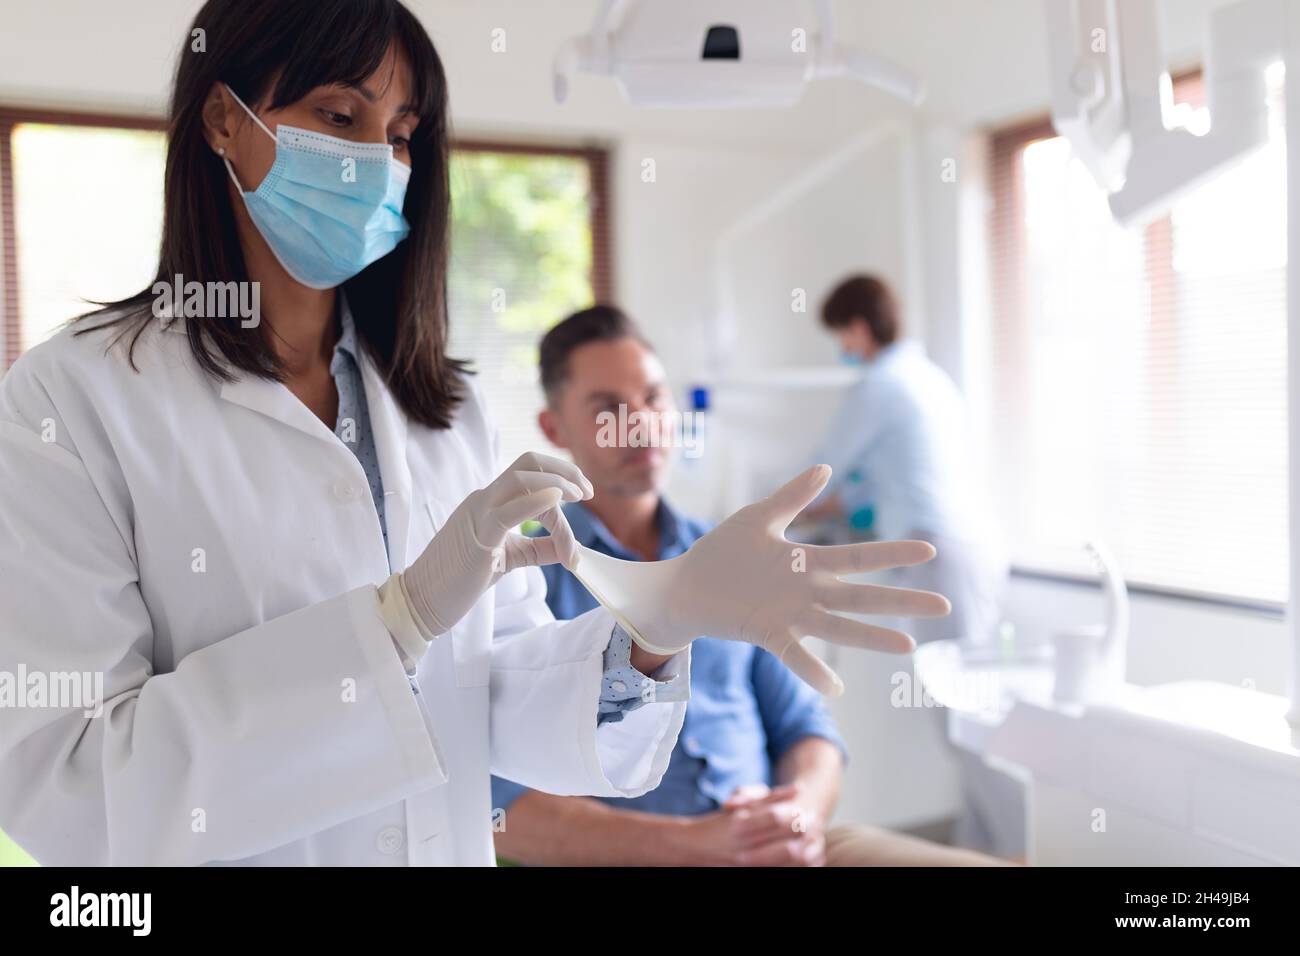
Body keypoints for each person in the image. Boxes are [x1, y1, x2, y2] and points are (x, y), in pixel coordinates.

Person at [0, 1, 945, 866]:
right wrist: (395, 625)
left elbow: (495, 701)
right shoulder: (75, 401)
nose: (379, 161)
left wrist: (651, 634)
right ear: (221, 121)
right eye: (340, 117)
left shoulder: (438, 406)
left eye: (403, 135)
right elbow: (68, 789)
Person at [489, 306, 1004, 867]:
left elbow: (808, 729)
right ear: (552, 428)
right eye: (608, 408)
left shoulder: (729, 555)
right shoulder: (527, 580)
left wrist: (797, 816)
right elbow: (500, 807)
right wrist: (694, 847)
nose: (640, 423)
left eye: (654, 398)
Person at [808, 274, 1023, 858]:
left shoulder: (880, 385)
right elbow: (870, 482)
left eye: (839, 336)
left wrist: (764, 516)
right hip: (972, 549)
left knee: (968, 719)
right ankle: (984, 850)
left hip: (943, 555)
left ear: (856, 328)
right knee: (968, 718)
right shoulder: (926, 377)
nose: (842, 348)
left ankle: (1024, 850)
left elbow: (820, 475)